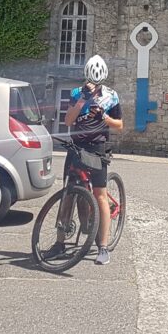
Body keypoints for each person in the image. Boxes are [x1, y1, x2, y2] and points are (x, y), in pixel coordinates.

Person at [63, 54, 123, 265]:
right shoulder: (76, 93)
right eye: (91, 83)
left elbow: (119, 125)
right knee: (68, 193)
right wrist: (82, 100)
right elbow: (68, 121)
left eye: (97, 84)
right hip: (76, 146)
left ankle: (103, 247)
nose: (93, 86)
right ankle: (60, 242)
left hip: (98, 147)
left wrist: (104, 118)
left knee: (99, 195)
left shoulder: (112, 96)